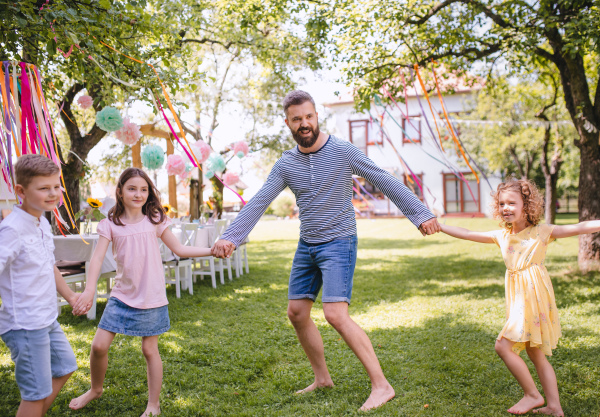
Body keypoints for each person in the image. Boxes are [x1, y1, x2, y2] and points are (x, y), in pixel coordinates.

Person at [212, 90, 441, 411]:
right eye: (297, 119)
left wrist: (420, 214)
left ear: (316, 116)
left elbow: (384, 180)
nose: (304, 123)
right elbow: (260, 200)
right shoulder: (286, 164)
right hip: (308, 245)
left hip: (339, 242)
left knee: (335, 314)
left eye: (309, 116)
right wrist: (231, 236)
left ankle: (382, 385)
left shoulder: (342, 151)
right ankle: (322, 378)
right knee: (297, 312)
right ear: (288, 123)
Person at [440, 178, 600, 417]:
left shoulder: (541, 232)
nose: (506, 208)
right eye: (502, 203)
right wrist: (439, 226)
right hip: (519, 298)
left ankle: (533, 395)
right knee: (535, 352)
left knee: (503, 346)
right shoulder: (501, 236)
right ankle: (554, 407)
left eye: (512, 203)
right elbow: (467, 232)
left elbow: (580, 226)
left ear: (527, 205)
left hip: (532, 298)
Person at [68, 168, 212, 417]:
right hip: (122, 296)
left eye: (143, 189)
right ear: (120, 192)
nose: (138, 194)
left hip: (151, 297)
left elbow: (180, 249)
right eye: (132, 188)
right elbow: (97, 258)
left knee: (149, 350)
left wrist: (212, 250)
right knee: (99, 346)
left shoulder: (155, 219)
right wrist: (89, 290)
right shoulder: (110, 224)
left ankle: (153, 404)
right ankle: (95, 389)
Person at [0, 154, 81, 417]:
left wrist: (70, 296)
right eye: (44, 188)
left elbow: (49, 266)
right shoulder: (12, 230)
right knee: (36, 394)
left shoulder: (43, 221)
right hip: (24, 324)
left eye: (56, 186)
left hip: (47, 319)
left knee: (66, 366)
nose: (53, 193)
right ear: (21, 191)